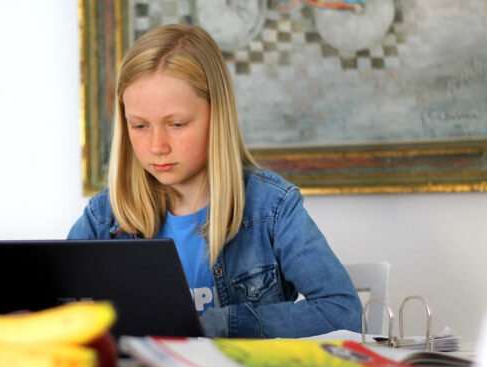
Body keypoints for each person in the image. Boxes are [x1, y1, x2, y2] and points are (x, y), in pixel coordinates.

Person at [68, 24, 362, 338]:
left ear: (217, 116)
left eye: (177, 124)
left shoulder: (271, 206)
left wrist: (216, 326)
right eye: (140, 126)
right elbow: (53, 313)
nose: (157, 146)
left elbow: (342, 311)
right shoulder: (104, 216)